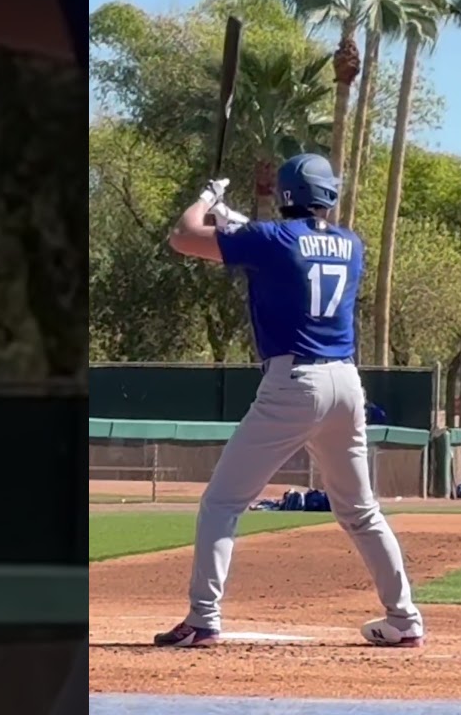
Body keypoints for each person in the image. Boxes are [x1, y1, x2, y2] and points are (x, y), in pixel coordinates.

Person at [153, 153, 424, 649]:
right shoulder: (351, 244)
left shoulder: (272, 239)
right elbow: (285, 243)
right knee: (361, 511)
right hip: (346, 385)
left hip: (293, 384)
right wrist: (231, 218)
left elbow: (184, 236)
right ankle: (404, 618)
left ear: (285, 194)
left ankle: (203, 618)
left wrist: (208, 199)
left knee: (222, 502)